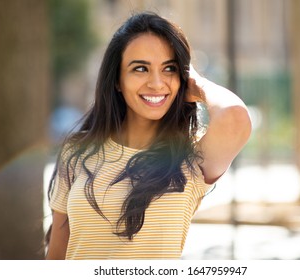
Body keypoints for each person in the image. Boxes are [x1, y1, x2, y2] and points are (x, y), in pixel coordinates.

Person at [46, 12, 251, 260]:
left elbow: (235, 117)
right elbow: (57, 255)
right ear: (117, 80)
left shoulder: (191, 159)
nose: (156, 83)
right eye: (140, 68)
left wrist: (197, 83)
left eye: (169, 69)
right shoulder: (77, 151)